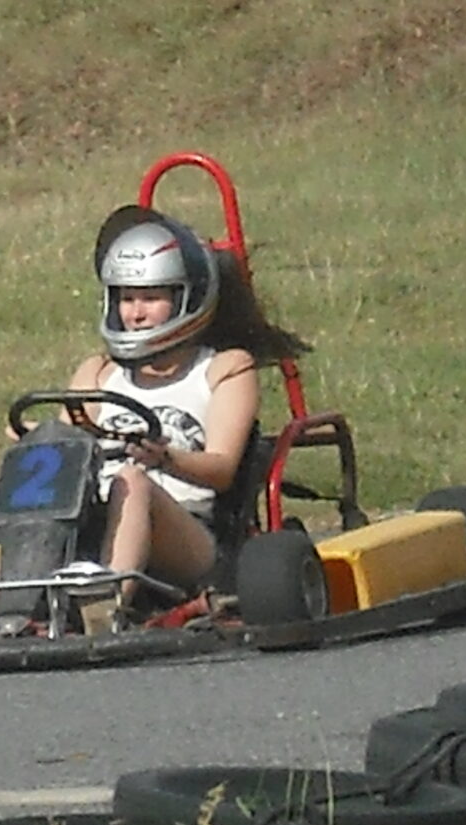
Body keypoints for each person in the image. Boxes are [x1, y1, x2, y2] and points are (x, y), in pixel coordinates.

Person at [59, 205, 310, 617]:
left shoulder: (224, 369)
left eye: (151, 298)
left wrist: (165, 458)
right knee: (45, 491)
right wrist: (37, 440)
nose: (136, 313)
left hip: (190, 534)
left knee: (133, 481)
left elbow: (222, 468)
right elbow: (65, 452)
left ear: (186, 299)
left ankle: (106, 607)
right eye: (126, 298)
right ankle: (5, 607)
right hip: (96, 520)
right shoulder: (98, 372)